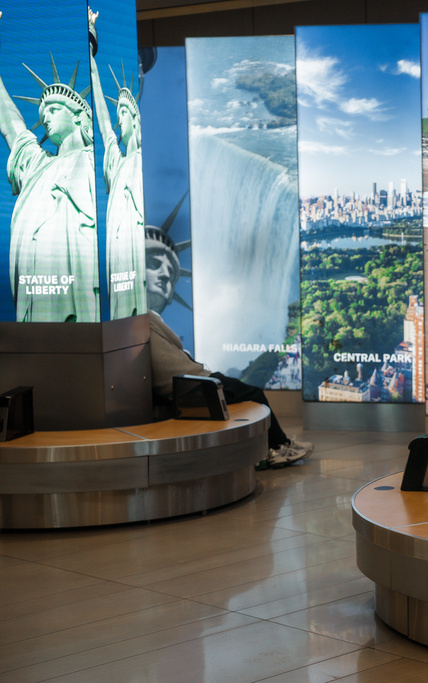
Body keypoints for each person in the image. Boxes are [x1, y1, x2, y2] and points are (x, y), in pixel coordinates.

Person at [0, 20, 98, 322]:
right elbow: (11, 125)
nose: (46, 119)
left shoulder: (96, 160)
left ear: (79, 115)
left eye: (54, 110)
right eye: (43, 115)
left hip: (78, 283)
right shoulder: (37, 166)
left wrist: (91, 47)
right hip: (35, 288)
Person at [148, 310, 312, 467]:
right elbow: (176, 340)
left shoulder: (131, 327)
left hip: (180, 386)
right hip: (194, 381)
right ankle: (279, 447)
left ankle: (274, 446)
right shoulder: (147, 317)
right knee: (254, 395)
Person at [89, 9, 146, 319]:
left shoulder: (142, 163)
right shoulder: (117, 162)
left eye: (123, 112)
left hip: (139, 261)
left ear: (135, 119)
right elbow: (101, 116)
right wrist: (90, 47)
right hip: (118, 260)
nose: (117, 118)